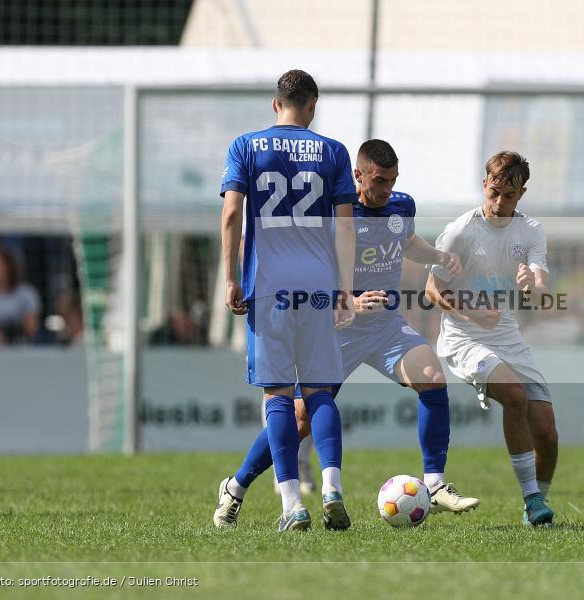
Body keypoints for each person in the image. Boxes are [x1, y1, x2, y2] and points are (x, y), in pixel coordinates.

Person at [213, 139, 480, 528]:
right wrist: (350, 301)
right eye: (379, 180)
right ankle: (236, 487)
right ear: (358, 175)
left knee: (432, 376)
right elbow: (310, 267)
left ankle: (435, 484)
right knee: (298, 418)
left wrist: (438, 256)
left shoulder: (401, 206)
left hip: (387, 328)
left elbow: (406, 242)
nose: (386, 189)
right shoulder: (332, 214)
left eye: (392, 181)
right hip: (337, 327)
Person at [217, 69, 356, 532]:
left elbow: (232, 212)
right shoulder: (334, 151)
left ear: (275, 104)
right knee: (319, 391)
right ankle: (333, 487)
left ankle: (292, 505)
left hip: (270, 286)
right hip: (317, 285)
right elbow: (344, 226)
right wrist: (344, 288)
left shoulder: (245, 146)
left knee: (278, 396)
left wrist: (231, 279)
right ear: (312, 106)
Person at [425, 151, 559, 527]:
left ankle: (537, 507)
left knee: (547, 436)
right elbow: (432, 290)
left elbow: (541, 290)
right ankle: (532, 499)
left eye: (510, 196)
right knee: (514, 396)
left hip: (508, 338)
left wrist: (533, 286)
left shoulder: (531, 230)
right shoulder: (460, 232)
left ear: (522, 194)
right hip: (463, 339)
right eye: (495, 192)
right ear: (485, 185)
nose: (500, 203)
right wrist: (472, 313)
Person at [0, 249, 41, 345]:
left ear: (8, 268)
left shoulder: (26, 294)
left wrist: (4, 334)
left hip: (20, 348)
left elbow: (31, 329)